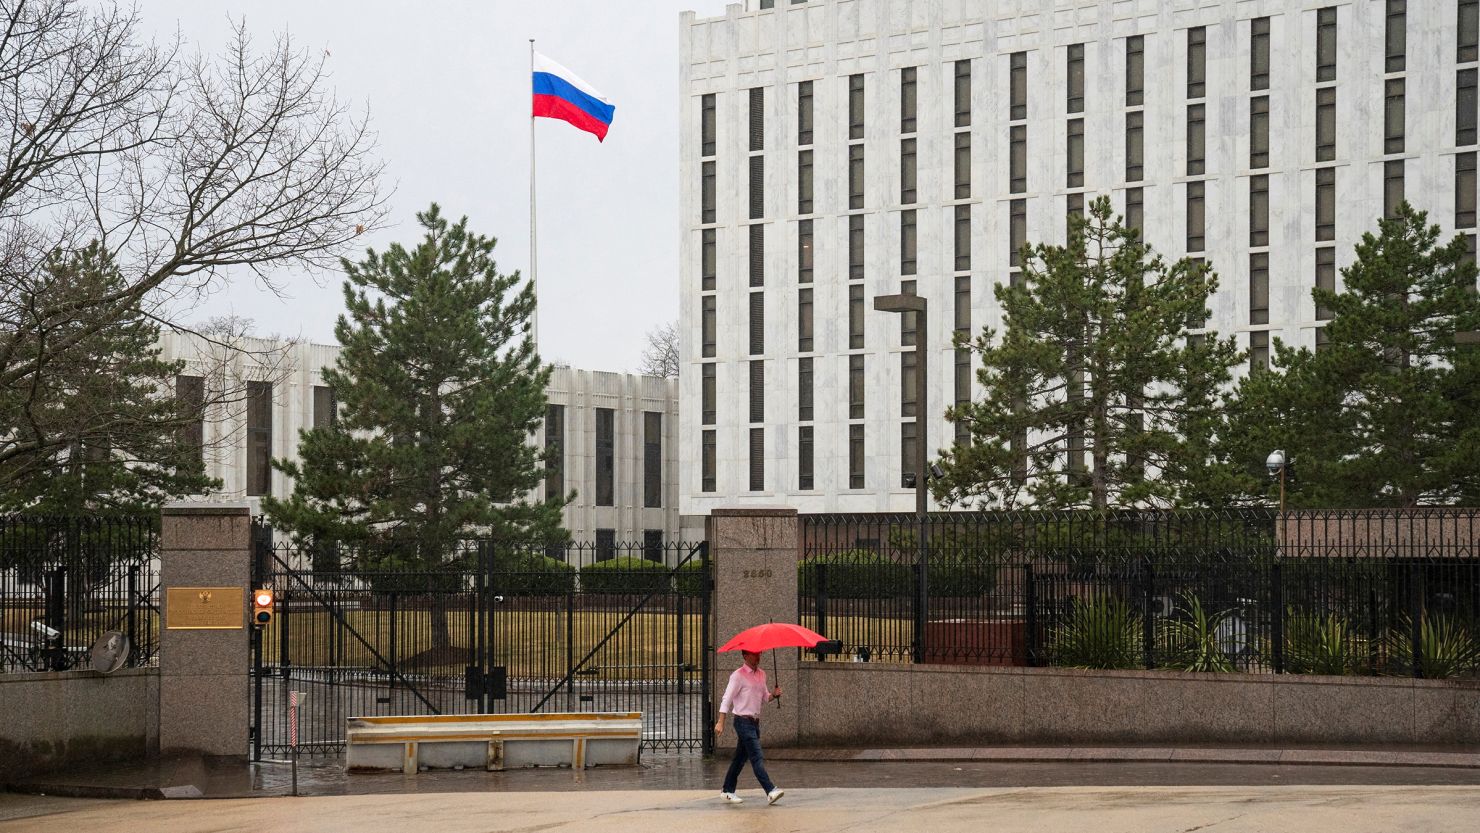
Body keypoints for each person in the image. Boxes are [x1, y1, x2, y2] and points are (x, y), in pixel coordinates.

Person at [714, 649, 783, 805]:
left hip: (754, 722)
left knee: (739, 759)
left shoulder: (761, 674)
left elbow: (765, 697)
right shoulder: (738, 676)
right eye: (753, 654)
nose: (757, 656)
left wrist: (774, 694)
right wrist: (720, 721)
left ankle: (727, 791)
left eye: (758, 653)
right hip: (742, 721)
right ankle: (770, 790)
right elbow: (727, 698)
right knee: (756, 756)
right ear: (745, 656)